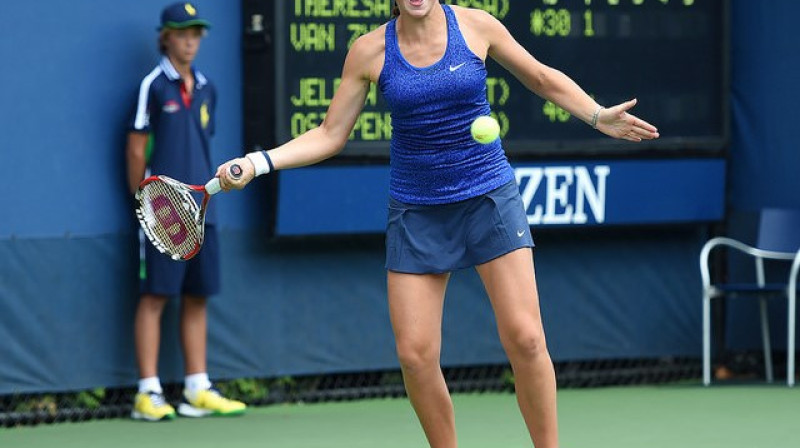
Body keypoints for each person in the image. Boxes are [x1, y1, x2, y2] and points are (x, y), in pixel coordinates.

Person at [218, 1, 658, 446]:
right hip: (417, 210)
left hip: (489, 198)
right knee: (414, 356)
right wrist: (258, 163)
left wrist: (598, 115)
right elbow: (331, 134)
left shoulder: (476, 25)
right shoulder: (369, 51)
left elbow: (540, 77)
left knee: (525, 339)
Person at [125, 2, 246, 421]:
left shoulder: (209, 87)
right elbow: (137, 148)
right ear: (167, 37)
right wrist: (146, 206)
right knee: (156, 296)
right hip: (162, 214)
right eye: (182, 33)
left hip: (202, 211)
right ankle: (148, 392)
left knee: (198, 296)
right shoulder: (153, 86)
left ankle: (196, 387)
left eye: (196, 33)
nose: (191, 40)